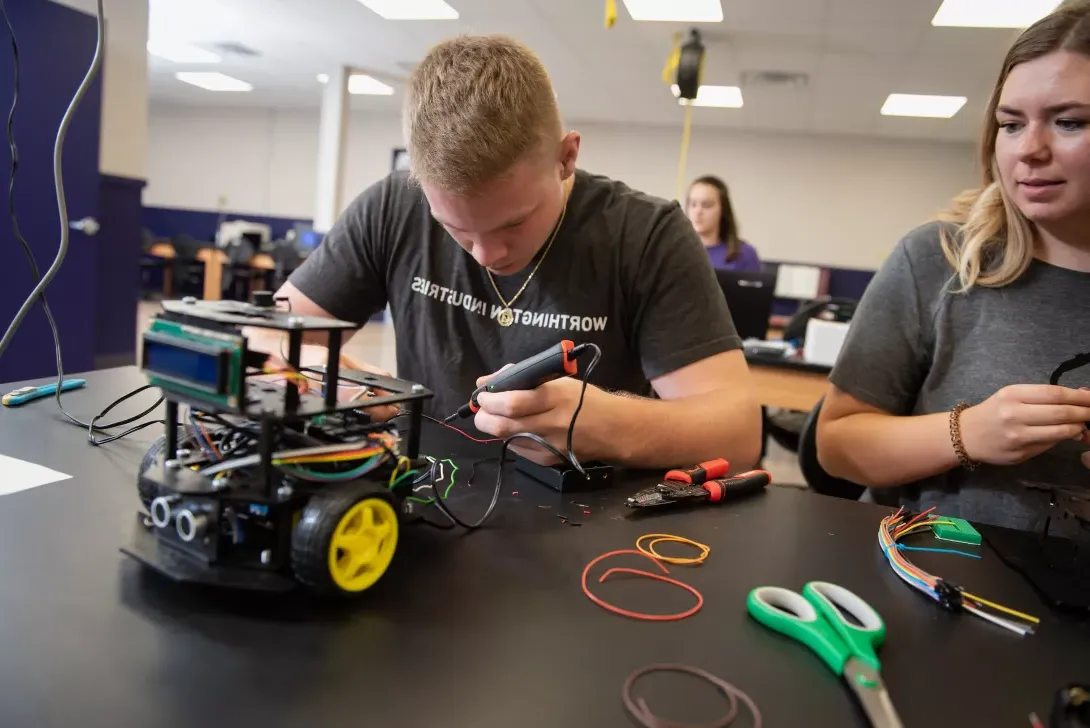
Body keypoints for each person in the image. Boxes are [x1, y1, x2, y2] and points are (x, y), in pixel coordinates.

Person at [260, 35, 762, 471]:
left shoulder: (646, 235)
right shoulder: (392, 207)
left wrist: (608, 424)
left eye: (513, 222)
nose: (485, 254)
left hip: (582, 531)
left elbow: (739, 436)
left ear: (567, 157)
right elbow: (264, 333)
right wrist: (348, 385)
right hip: (426, 496)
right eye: (454, 228)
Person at [816, 0, 1090, 533]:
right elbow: (836, 446)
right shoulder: (936, 261)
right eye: (1011, 125)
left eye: (1069, 122)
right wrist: (968, 433)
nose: (1029, 149)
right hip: (930, 583)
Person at [685, 175, 761, 272]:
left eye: (706, 205)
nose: (698, 211)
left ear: (722, 210)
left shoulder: (745, 254)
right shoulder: (674, 252)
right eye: (693, 204)